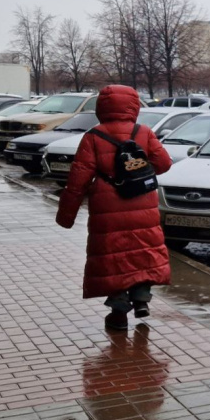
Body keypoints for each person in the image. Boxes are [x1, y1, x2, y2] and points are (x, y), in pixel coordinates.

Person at [55, 85, 173, 331]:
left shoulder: (93, 136)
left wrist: (66, 216)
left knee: (113, 254)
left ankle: (119, 311)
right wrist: (138, 169)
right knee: (143, 249)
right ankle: (141, 299)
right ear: (134, 107)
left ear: (101, 108)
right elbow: (163, 164)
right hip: (142, 201)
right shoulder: (144, 132)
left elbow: (78, 181)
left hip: (107, 204)